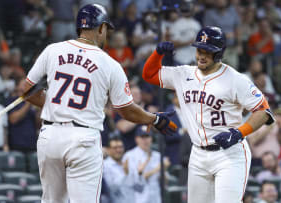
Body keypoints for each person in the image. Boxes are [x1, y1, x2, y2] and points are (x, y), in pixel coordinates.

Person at [22, 4, 177, 203]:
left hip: (49, 137)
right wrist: (154, 119)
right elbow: (126, 110)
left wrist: (54, 101)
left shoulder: (53, 50)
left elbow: (26, 90)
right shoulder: (110, 64)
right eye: (106, 30)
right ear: (101, 28)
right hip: (83, 138)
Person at [143, 26, 274, 203]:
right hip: (197, 154)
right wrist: (157, 54)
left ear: (219, 53)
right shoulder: (183, 74)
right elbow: (149, 74)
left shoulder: (236, 79)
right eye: (199, 50)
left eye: (208, 51)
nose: (202, 55)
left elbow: (263, 111)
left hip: (229, 154)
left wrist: (240, 132)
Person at [123, 125, 171, 203]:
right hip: (138, 197)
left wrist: (164, 170)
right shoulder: (129, 156)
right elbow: (135, 181)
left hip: (155, 197)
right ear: (136, 139)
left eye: (147, 136)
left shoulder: (157, 155)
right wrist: (159, 168)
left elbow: (165, 182)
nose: (145, 140)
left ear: (151, 138)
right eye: (142, 137)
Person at [103, 136, 134, 203]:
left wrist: (140, 174)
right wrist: (125, 174)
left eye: (120, 147)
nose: (118, 150)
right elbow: (111, 189)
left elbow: (139, 188)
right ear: (108, 150)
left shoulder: (128, 162)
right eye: (115, 148)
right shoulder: (105, 166)